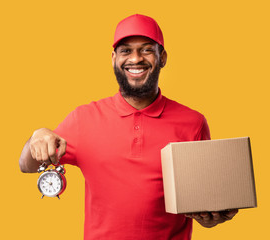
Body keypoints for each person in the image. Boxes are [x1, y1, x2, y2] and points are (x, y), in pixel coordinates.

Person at [19, 14, 238, 240]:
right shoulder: (83, 118)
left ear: (162, 57)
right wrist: (36, 138)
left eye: (146, 50)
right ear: (114, 58)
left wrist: (213, 217)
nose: (135, 58)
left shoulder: (193, 123)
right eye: (126, 50)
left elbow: (205, 199)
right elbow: (26, 165)